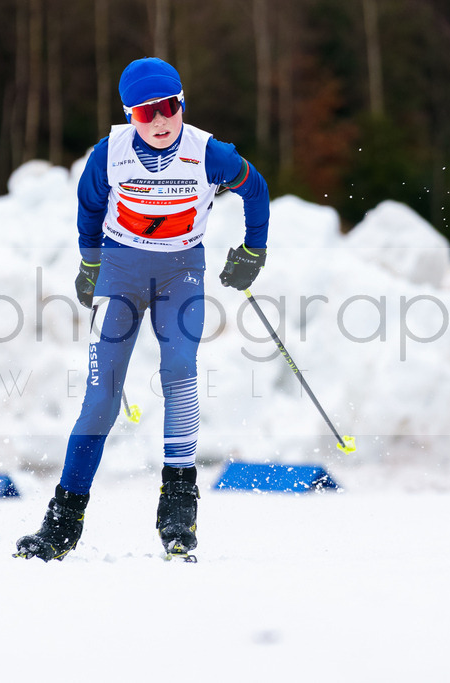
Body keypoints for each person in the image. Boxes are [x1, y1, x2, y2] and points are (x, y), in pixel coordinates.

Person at [15, 57, 270, 561]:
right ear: (128, 114)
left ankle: (178, 506)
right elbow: (90, 210)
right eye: (145, 113)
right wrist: (90, 265)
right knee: (101, 397)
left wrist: (252, 251)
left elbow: (255, 190)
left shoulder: (208, 154)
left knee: (179, 371)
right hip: (121, 273)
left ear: (182, 104)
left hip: (182, 274)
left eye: (169, 108)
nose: (159, 122)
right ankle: (63, 520)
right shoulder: (106, 156)